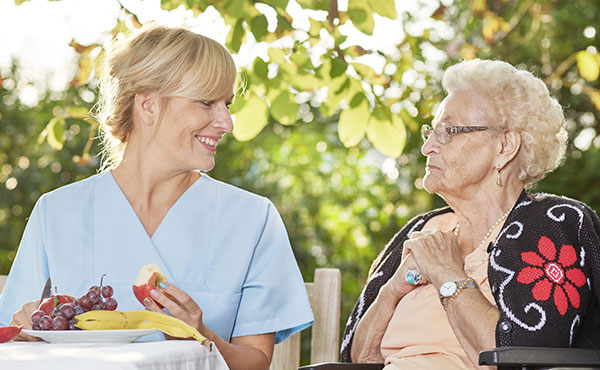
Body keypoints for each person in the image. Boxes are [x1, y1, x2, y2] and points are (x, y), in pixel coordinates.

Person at [0, 24, 313, 370]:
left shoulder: (253, 218)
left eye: (227, 104)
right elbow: (14, 337)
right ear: (148, 105)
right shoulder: (56, 212)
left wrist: (199, 335)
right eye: (206, 102)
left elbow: (255, 363)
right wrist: (28, 331)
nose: (226, 122)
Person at [340, 59, 600, 369]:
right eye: (431, 131)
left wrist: (447, 274)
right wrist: (394, 288)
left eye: (448, 131)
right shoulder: (420, 230)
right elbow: (357, 358)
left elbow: (526, 356)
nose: (427, 148)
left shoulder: (553, 223)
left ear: (504, 146)